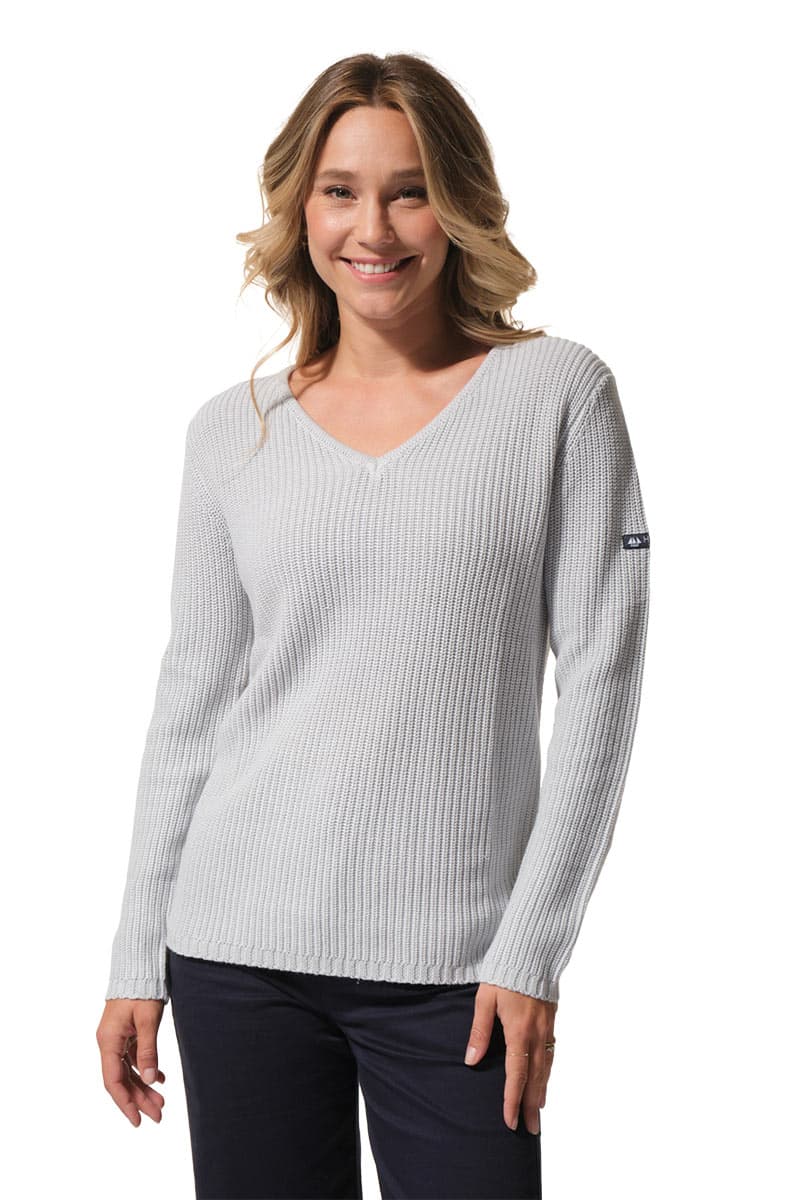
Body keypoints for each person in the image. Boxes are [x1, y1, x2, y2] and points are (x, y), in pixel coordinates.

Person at [96, 51, 650, 1200]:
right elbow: (191, 702)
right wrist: (134, 953)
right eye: (340, 191)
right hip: (234, 956)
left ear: (458, 206)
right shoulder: (230, 432)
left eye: (409, 192)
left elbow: (601, 681)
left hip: (463, 972)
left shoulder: (555, 395)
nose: (374, 228)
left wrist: (531, 948)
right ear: (300, 210)